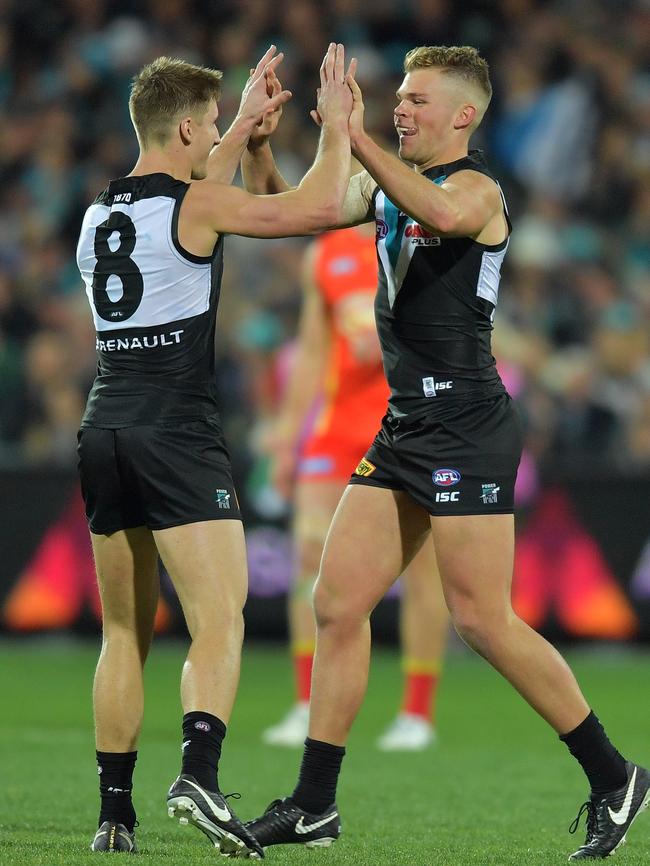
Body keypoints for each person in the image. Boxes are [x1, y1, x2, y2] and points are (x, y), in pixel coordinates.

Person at [240, 46, 650, 860]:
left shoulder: (478, 190)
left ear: (464, 115)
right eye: (399, 98)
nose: (402, 109)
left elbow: (446, 214)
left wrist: (355, 138)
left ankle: (614, 776)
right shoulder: (387, 189)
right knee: (336, 603)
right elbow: (288, 209)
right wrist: (259, 143)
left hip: (466, 422)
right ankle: (315, 803)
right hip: (405, 427)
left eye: (419, 100)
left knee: (482, 621)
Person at [75, 43, 354, 857]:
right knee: (218, 617)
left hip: (104, 425)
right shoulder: (197, 207)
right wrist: (335, 124)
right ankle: (199, 773)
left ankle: (114, 816)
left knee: (123, 631)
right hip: (177, 430)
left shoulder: (99, 212)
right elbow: (316, 206)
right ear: (188, 127)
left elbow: (184, 192)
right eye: (210, 127)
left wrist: (236, 130)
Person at [261, 222, 448, 752]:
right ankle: (306, 703)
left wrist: (389, 329)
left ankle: (416, 713)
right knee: (309, 560)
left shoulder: (420, 240)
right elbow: (314, 354)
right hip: (336, 429)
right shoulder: (324, 254)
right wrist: (285, 437)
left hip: (408, 424)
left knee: (423, 572)